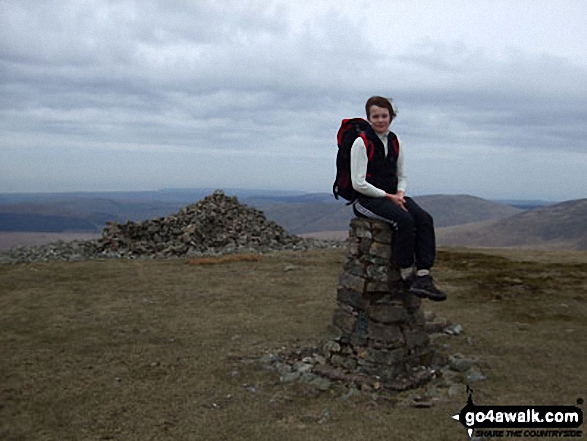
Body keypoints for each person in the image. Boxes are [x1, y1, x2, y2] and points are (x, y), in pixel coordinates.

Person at [350, 96, 446, 301]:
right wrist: (388, 196)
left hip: (393, 195)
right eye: (375, 116)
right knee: (403, 220)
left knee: (424, 219)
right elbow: (358, 183)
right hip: (366, 200)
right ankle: (406, 274)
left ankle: (423, 275)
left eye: (384, 115)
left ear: (391, 117)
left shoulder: (395, 141)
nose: (380, 120)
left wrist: (400, 194)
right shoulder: (361, 143)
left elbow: (402, 175)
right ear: (368, 118)